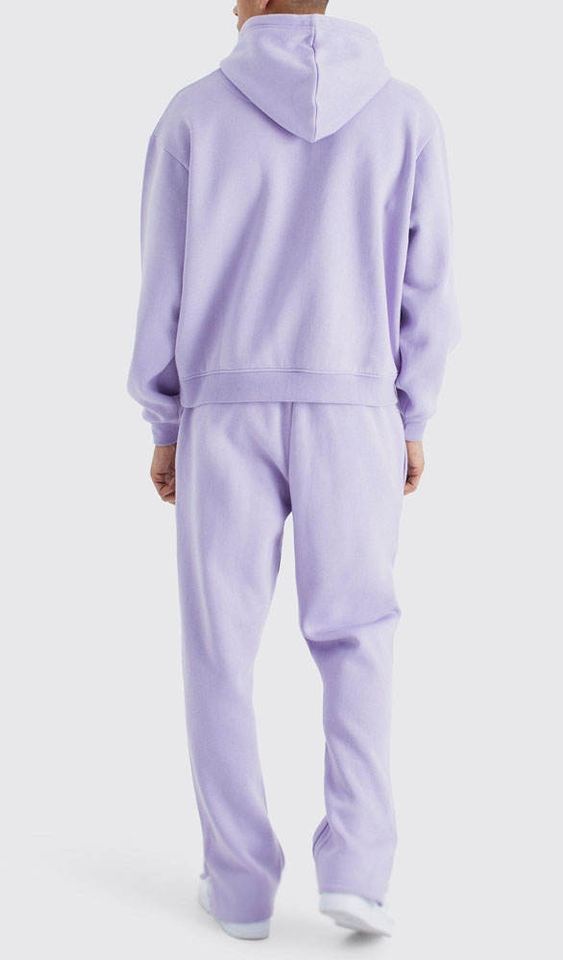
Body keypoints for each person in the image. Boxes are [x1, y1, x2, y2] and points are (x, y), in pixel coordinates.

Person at [127, 0, 458, 941]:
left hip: (225, 410)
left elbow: (163, 282)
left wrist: (165, 420)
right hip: (355, 412)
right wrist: (410, 413)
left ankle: (238, 887)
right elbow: (430, 286)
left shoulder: (194, 114)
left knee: (219, 648)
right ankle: (358, 871)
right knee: (358, 635)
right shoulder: (405, 115)